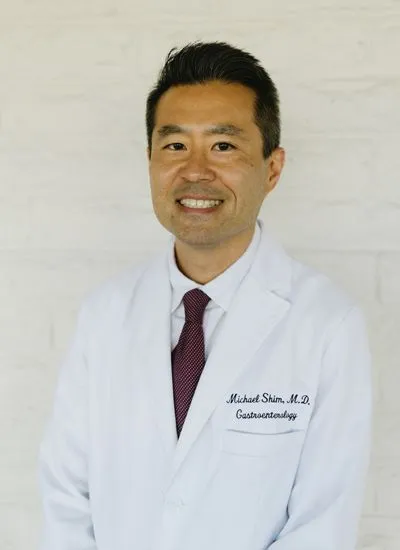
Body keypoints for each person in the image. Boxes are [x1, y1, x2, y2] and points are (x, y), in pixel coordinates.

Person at [37, 41, 372, 550]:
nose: (195, 171)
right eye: (175, 146)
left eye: (223, 146)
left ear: (272, 168)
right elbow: (66, 500)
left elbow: (323, 523)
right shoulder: (104, 314)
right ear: (150, 161)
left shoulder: (327, 323)